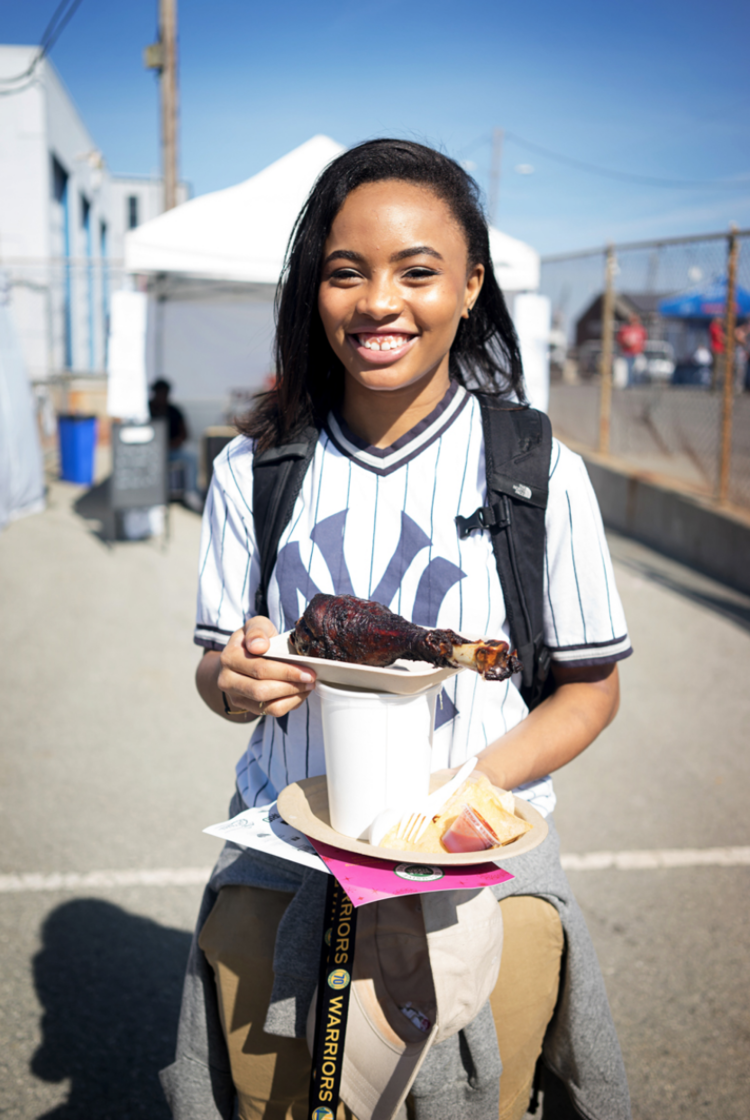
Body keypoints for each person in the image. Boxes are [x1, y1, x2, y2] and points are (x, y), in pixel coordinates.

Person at [162, 140, 632, 1120]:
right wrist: (236, 681)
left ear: (469, 285)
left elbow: (591, 685)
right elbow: (217, 670)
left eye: (417, 270)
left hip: (481, 869)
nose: (380, 301)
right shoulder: (256, 467)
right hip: (284, 858)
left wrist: (460, 799)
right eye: (347, 271)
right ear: (314, 289)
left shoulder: (539, 469)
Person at [148, 378, 202, 510]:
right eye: (159, 393)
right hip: (150, 452)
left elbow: (185, 434)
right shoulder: (145, 409)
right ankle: (151, 496)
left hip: (171, 450)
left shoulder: (174, 410)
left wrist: (173, 444)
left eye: (165, 393)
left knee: (192, 457)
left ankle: (191, 493)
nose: (162, 396)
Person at [616, 313, 646, 386]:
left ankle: (638, 385)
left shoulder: (641, 329)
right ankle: (630, 385)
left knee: (639, 370)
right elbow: (619, 339)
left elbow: (643, 341)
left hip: (638, 353)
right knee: (628, 370)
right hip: (628, 352)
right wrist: (625, 342)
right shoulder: (625, 328)